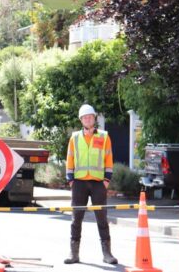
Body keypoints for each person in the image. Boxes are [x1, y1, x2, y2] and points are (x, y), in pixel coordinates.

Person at [64, 104, 117, 265]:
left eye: (90, 116)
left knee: (102, 218)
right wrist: (71, 180)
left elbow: (108, 159)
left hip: (98, 184)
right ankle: (74, 254)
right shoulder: (75, 137)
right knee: (76, 219)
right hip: (79, 183)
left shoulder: (104, 136)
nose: (88, 119)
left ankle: (107, 254)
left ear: (94, 118)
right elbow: (70, 158)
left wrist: (106, 180)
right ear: (81, 120)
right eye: (85, 117)